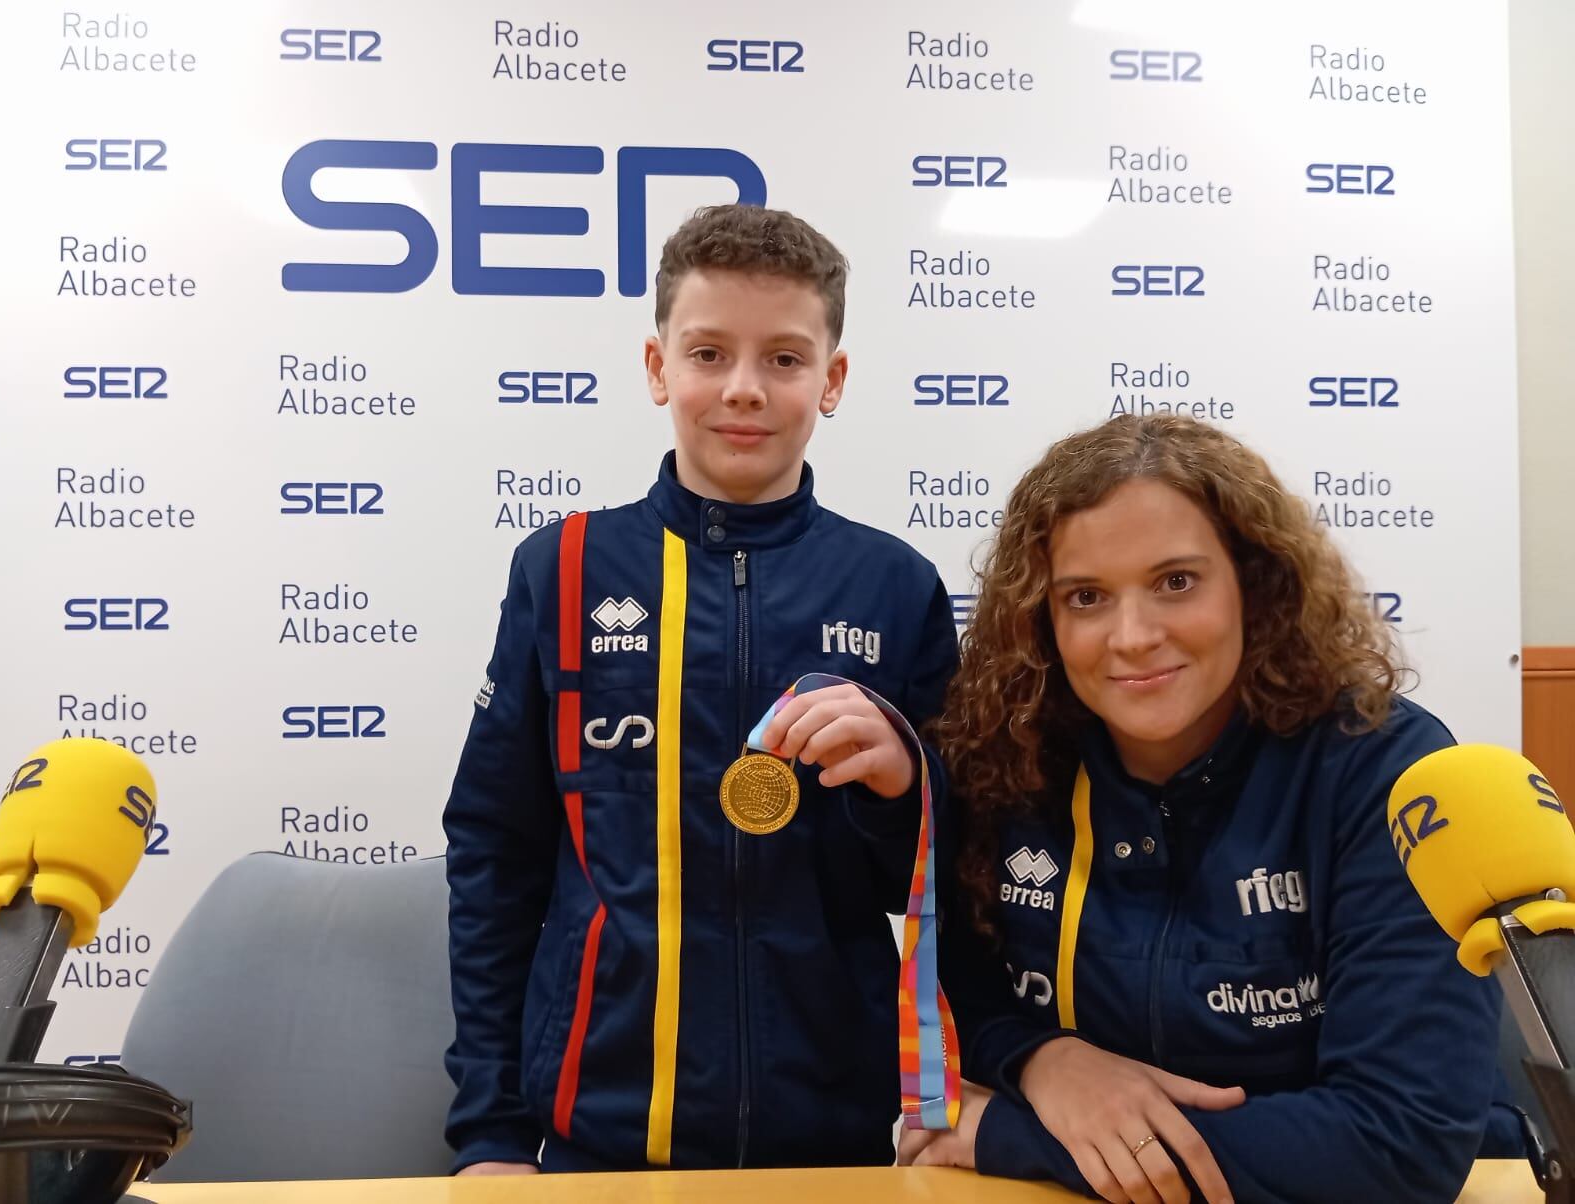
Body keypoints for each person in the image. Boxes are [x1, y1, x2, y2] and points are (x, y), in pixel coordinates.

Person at [442, 204, 958, 1173]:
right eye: (709, 353)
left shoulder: (894, 584)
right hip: (597, 1132)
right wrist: (490, 1131)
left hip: (835, 1137)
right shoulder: (563, 568)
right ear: (656, 367)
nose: (744, 390)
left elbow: (941, 885)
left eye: (785, 359)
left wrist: (903, 792)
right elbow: (494, 856)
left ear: (832, 380)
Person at [899, 414, 1519, 1202]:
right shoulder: (1008, 757)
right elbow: (965, 995)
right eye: (1086, 596)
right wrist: (1045, 1059)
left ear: (1254, 586)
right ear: (1042, 620)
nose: (1132, 637)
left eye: (1176, 582)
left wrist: (1008, 1134)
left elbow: (1397, 1140)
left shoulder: (1384, 772)